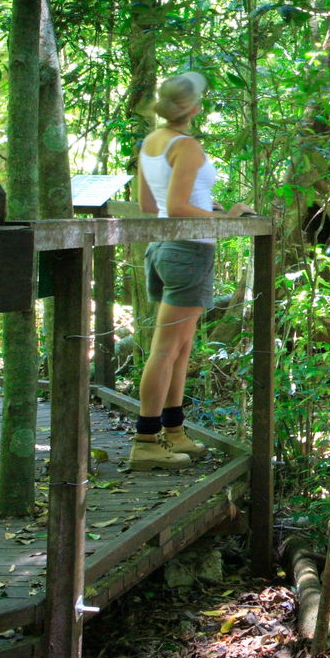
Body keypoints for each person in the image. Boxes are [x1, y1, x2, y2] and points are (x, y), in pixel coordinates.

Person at [129, 72, 250, 470]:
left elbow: (151, 205)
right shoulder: (188, 147)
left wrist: (207, 209)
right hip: (188, 251)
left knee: (179, 348)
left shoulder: (151, 142)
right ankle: (145, 441)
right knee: (166, 349)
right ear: (195, 108)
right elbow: (179, 207)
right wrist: (228, 215)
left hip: (163, 247)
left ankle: (174, 430)